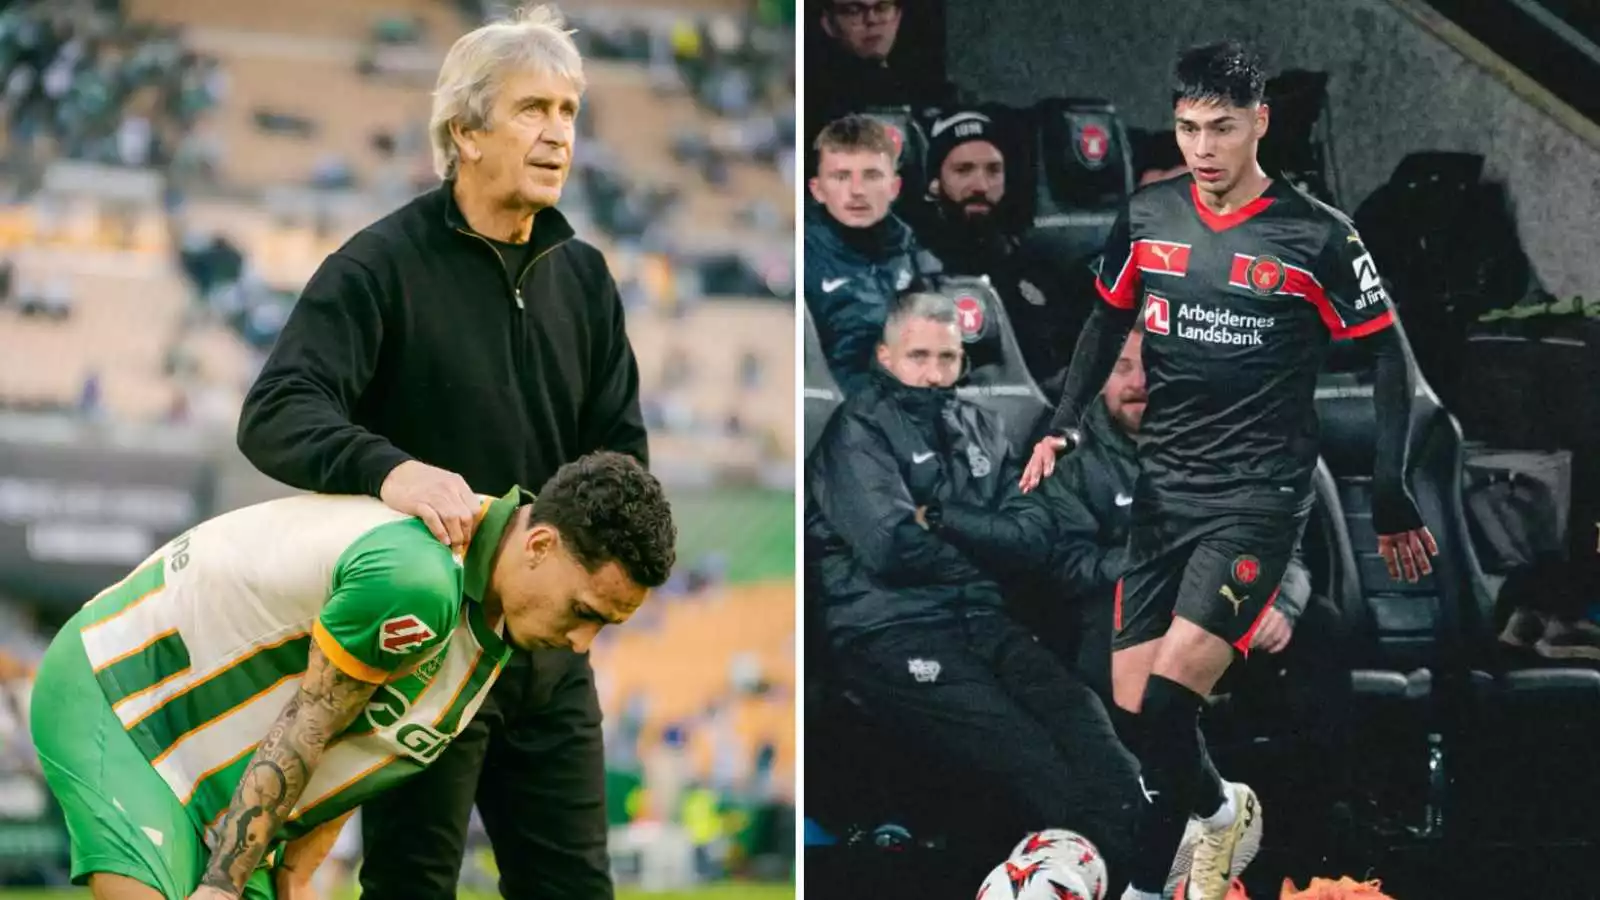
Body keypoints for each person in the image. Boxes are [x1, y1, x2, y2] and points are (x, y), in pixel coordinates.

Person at [234, 7, 649, 899]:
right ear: (465, 130)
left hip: (548, 656)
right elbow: (275, 410)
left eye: (569, 112)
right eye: (533, 109)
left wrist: (592, 591)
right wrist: (391, 469)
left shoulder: (584, 277)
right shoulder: (378, 267)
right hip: (424, 644)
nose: (558, 134)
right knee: (412, 887)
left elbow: (621, 456)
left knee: (575, 891)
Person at [1017, 41, 1437, 900]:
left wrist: (1392, 487)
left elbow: (1391, 357)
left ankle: (1157, 877)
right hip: (1165, 492)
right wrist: (1062, 424)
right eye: (1188, 128)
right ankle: (1215, 815)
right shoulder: (1149, 215)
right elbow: (1104, 320)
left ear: (1260, 124)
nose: (1203, 148)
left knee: (1172, 702)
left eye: (1221, 128)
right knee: (1136, 707)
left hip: (1257, 499)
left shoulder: (1318, 233)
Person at [29, 452, 677, 900]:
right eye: (584, 612)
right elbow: (311, 723)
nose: (581, 642)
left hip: (216, 766)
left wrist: (296, 871)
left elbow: (359, 740)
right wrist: (225, 884)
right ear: (539, 546)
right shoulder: (422, 583)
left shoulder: (496, 620)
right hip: (121, 692)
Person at [807, 291, 1151, 896]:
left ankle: (1126, 872)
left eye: (947, 358)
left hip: (985, 620)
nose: (934, 373)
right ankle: (1089, 876)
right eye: (918, 356)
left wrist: (941, 520)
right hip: (890, 630)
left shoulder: (983, 427)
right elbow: (889, 546)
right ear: (885, 357)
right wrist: (985, 547)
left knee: (1087, 725)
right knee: (1029, 756)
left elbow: (1036, 534)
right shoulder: (856, 430)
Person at [914, 109, 1088, 395]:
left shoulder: (1039, 272)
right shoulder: (910, 270)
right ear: (935, 182)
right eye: (963, 170)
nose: (981, 186)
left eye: (993, 170)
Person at [804, 114, 939, 395]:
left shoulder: (914, 254)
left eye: (872, 176)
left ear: (894, 188)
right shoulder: (804, 256)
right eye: (841, 176)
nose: (857, 191)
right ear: (817, 190)